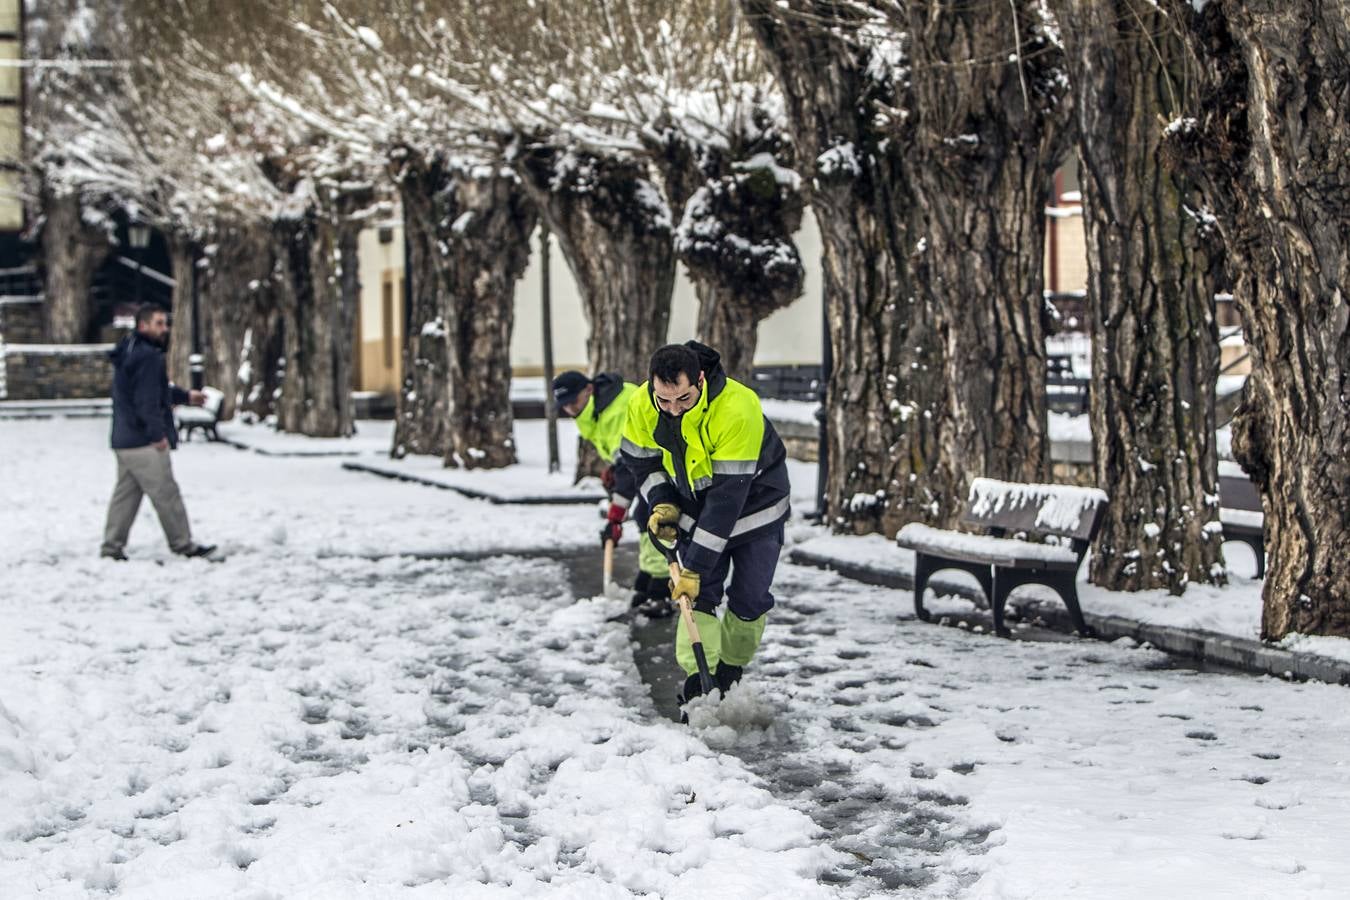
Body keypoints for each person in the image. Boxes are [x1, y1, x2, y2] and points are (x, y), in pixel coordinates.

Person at [620, 341, 790, 705]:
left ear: (699, 380)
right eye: (663, 400)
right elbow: (641, 463)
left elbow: (727, 500)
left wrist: (694, 566)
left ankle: (731, 668)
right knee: (697, 597)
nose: (673, 410)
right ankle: (701, 677)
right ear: (651, 385)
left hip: (755, 509)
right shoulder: (641, 405)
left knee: (750, 597)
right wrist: (663, 502)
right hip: (695, 508)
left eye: (683, 399)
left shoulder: (737, 408)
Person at [100, 304, 217, 562]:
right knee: (166, 493)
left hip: (124, 438)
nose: (165, 329)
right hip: (142, 441)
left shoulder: (130, 350)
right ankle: (183, 544)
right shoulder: (148, 357)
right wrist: (157, 435)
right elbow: (147, 401)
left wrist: (186, 396)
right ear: (143, 326)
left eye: (165, 323)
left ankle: (111, 546)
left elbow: (155, 390)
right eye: (159, 323)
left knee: (126, 495)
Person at [552, 369, 671, 615]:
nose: (570, 409)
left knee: (651, 516)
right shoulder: (596, 410)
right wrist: (613, 470)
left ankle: (662, 587)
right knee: (644, 516)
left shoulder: (614, 410)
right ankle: (649, 577)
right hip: (646, 465)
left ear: (588, 389)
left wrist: (616, 514)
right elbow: (622, 461)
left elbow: (629, 466)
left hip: (664, 463)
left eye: (573, 402)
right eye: (564, 406)